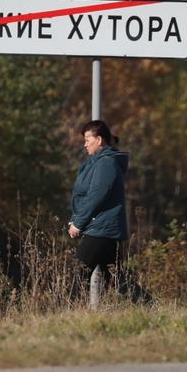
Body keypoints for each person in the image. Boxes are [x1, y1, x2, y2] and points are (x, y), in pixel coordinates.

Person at [67, 119, 143, 306]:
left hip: (102, 229)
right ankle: (149, 307)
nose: (84, 144)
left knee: (79, 272)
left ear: (99, 140)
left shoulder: (106, 164)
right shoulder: (96, 163)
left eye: (87, 139)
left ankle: (68, 313)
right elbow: (85, 195)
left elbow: (96, 196)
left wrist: (79, 223)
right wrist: (75, 219)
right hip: (102, 228)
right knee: (118, 279)